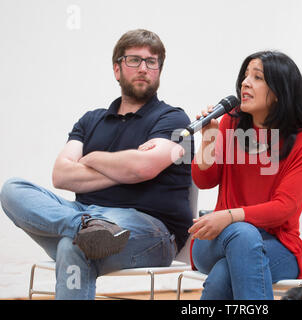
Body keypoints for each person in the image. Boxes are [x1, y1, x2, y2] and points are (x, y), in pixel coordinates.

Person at [0, 29, 194, 299]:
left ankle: (84, 229)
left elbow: (143, 168)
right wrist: (126, 168)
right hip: (86, 211)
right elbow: (61, 175)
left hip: (151, 229)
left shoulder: (173, 119)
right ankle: (84, 225)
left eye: (152, 62)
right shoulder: (91, 120)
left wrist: (92, 159)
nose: (144, 68)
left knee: (75, 245)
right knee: (12, 190)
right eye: (134, 60)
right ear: (117, 69)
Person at [188, 51, 302, 300]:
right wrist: (208, 139)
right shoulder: (229, 122)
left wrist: (230, 216)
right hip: (215, 239)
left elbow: (284, 207)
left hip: (278, 245)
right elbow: (204, 180)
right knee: (242, 235)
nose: (245, 83)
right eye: (245, 76)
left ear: (280, 92)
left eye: (257, 77)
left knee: (223, 277)